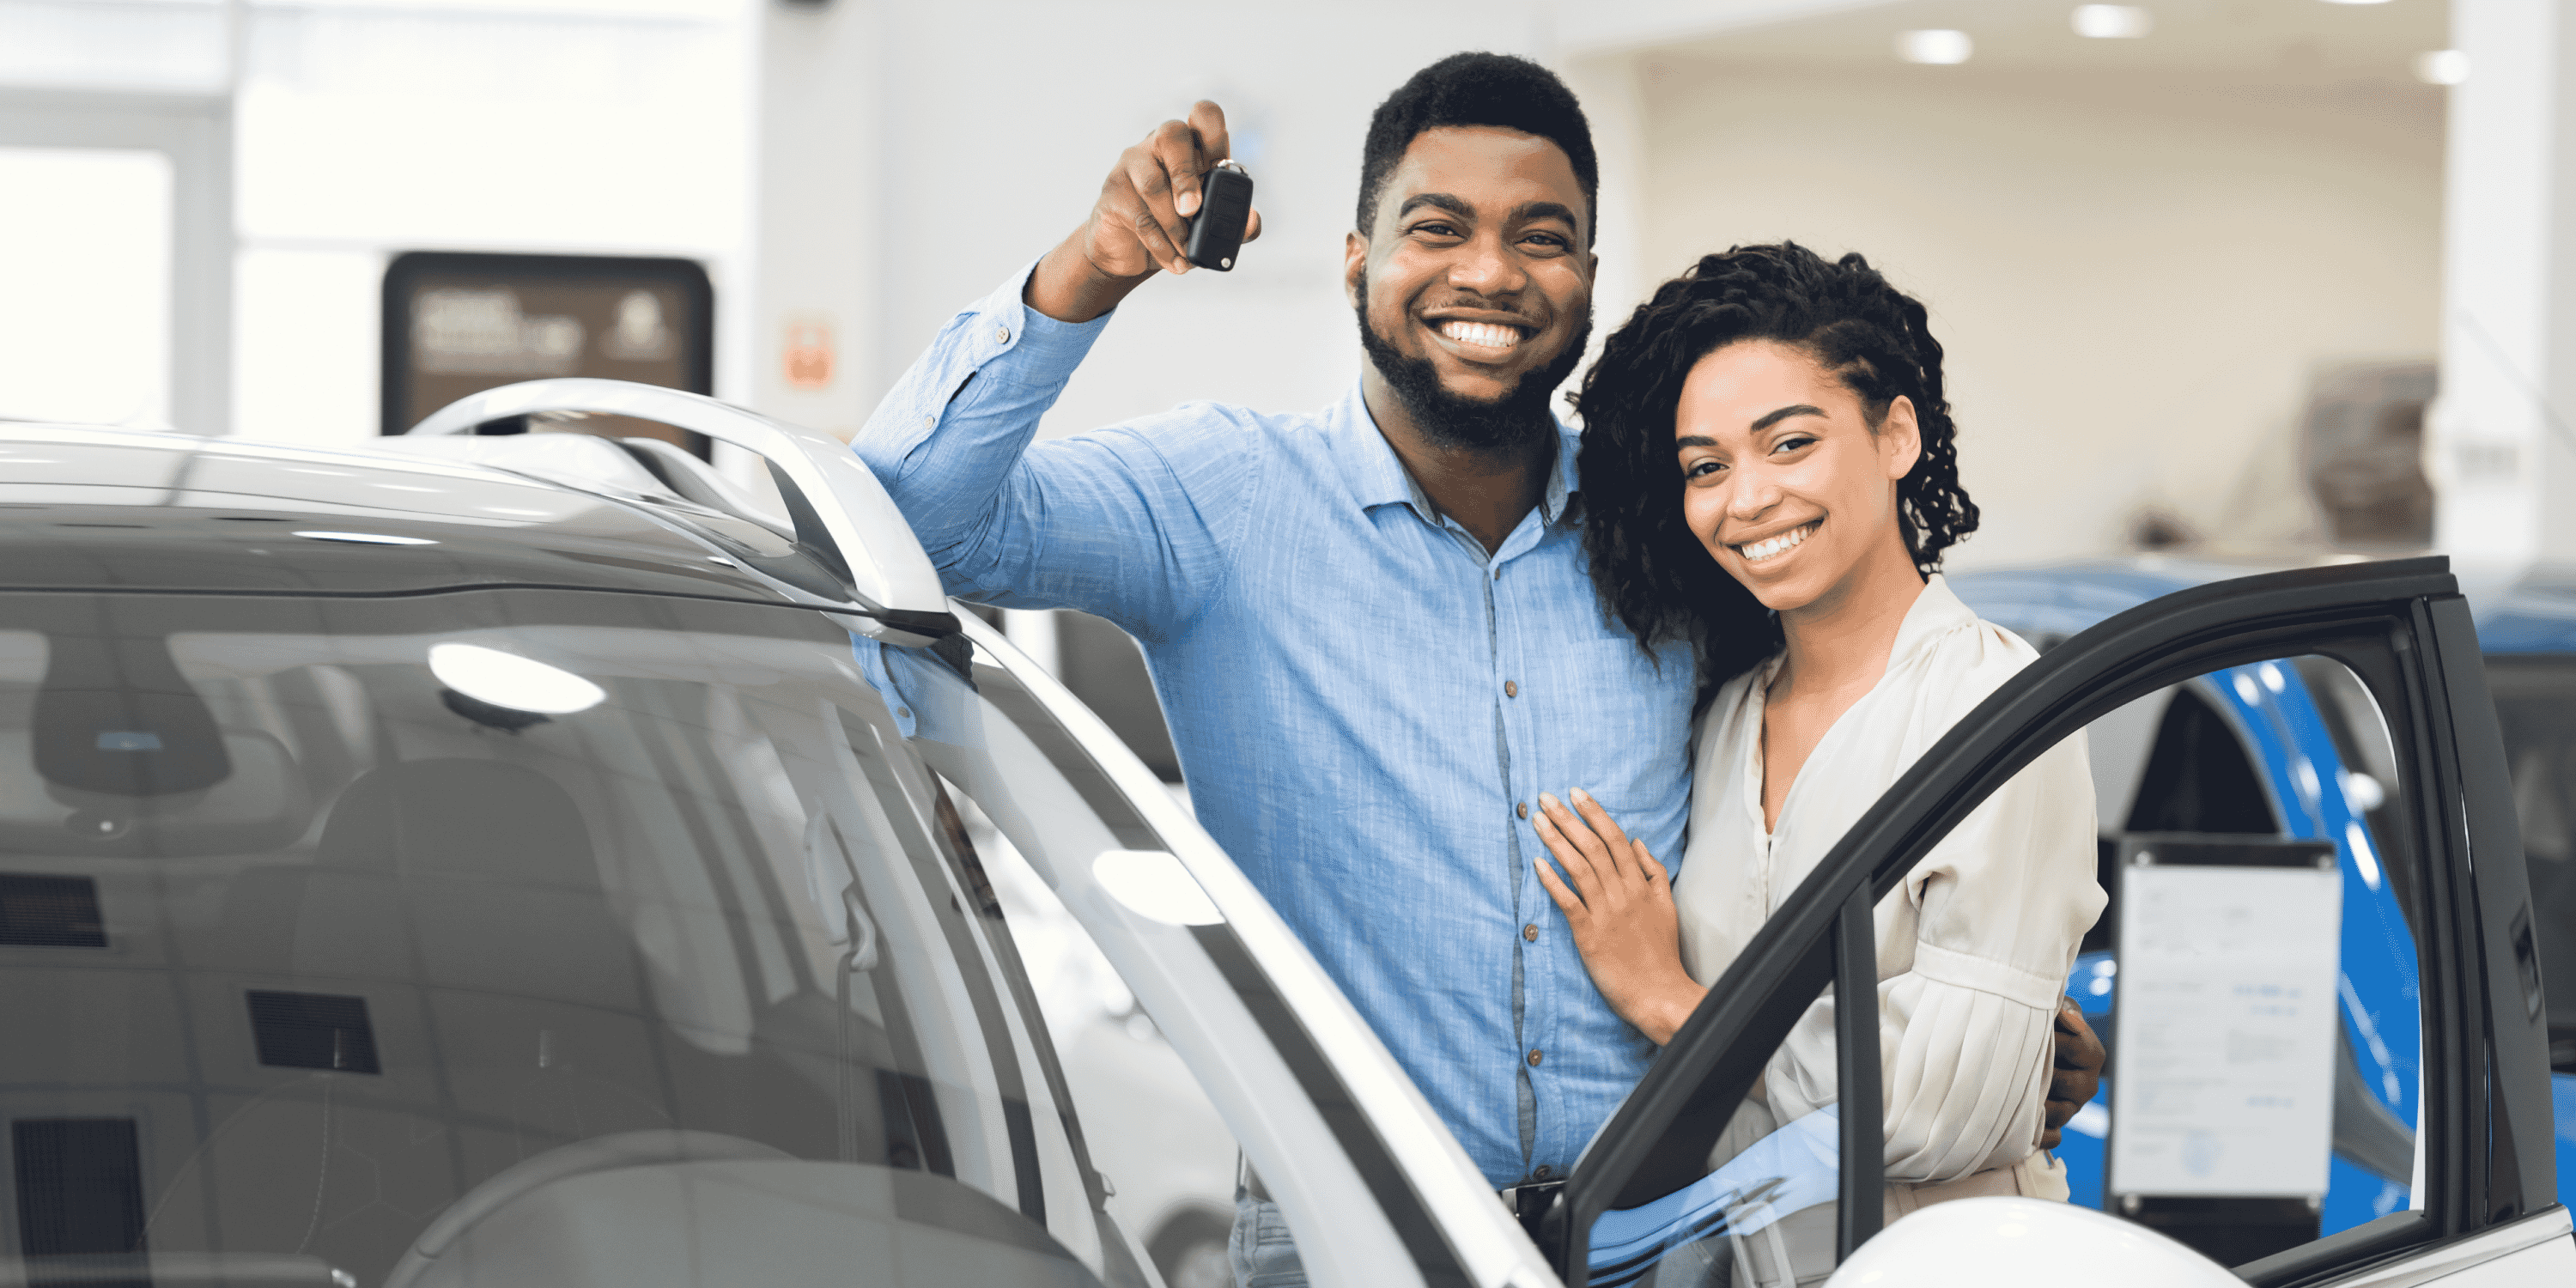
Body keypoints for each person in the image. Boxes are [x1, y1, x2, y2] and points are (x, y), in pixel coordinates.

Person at [851, 55, 2099, 1285]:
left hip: (1671, 1232)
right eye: (1437, 228)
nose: (1490, 273)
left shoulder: (1663, 523)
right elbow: (912, 510)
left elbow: (1797, 805)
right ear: (1357, 258)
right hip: (1352, 1235)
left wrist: (1966, 1037)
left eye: (1540, 237)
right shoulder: (1223, 502)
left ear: (1589, 278)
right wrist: (1091, 272)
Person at [1529, 243, 2109, 1276]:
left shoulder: (1989, 707)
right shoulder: (1724, 721)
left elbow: (1943, 1110)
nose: (1744, 500)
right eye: (1705, 467)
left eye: (1788, 444)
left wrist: (1668, 1000)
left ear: (1896, 434)